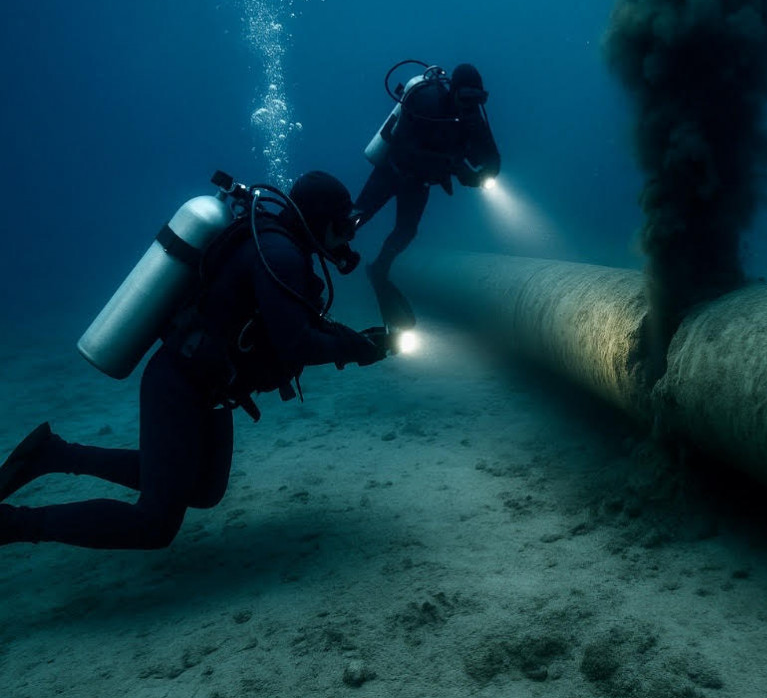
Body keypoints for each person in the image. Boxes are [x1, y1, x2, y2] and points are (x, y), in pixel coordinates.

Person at [0, 171, 389, 549]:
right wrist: (357, 350)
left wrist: (353, 341)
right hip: (180, 384)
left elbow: (290, 323)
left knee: (203, 489)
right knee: (153, 525)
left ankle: (55, 454)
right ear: (319, 220)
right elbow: (297, 345)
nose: (349, 236)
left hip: (207, 385)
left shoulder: (279, 246)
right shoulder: (278, 253)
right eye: (344, 225)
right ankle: (12, 524)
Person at [355, 62, 501, 330]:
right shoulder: (425, 101)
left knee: (406, 232)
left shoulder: (472, 119)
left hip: (419, 183)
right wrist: (455, 166)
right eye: (465, 98)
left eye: (477, 100)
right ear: (453, 92)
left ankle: (379, 271)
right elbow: (403, 148)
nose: (469, 106)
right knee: (356, 218)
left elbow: (493, 159)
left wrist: (479, 176)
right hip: (392, 171)